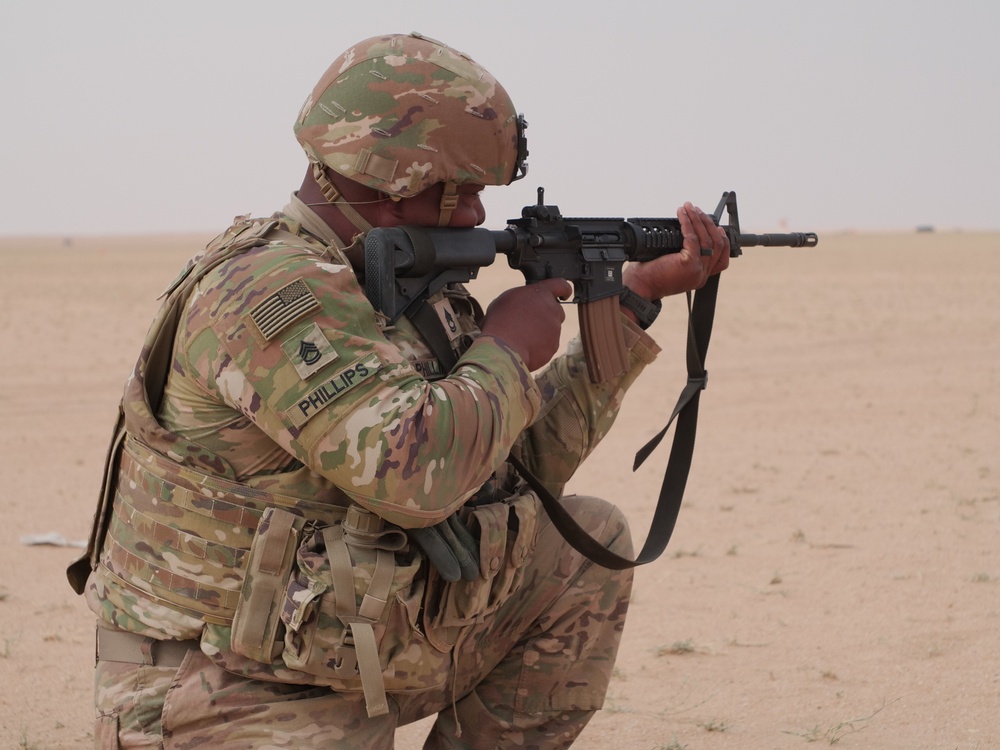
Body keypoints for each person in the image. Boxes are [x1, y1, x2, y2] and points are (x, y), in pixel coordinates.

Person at [69, 32, 729, 749]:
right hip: (222, 687)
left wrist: (629, 302)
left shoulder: (394, 290)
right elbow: (413, 478)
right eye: (467, 190)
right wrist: (504, 350)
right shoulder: (270, 290)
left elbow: (515, 471)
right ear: (398, 183)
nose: (480, 215)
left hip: (337, 646)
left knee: (586, 542)